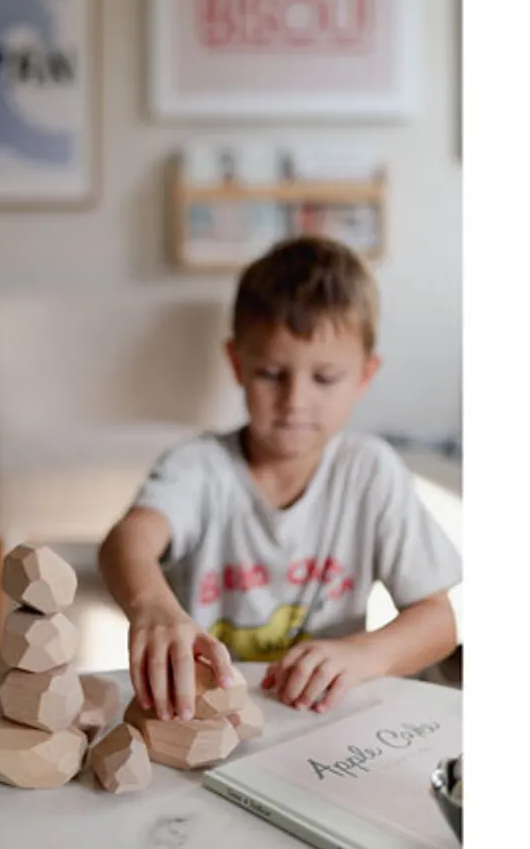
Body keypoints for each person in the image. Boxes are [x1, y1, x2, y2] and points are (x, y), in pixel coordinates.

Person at [98, 235, 461, 722]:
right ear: (237, 365)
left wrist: (362, 655)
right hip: (208, 715)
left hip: (325, 718)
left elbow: (438, 621)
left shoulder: (371, 472)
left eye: (325, 378)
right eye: (271, 373)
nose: (295, 401)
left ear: (365, 376)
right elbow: (129, 539)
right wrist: (152, 607)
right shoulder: (199, 466)